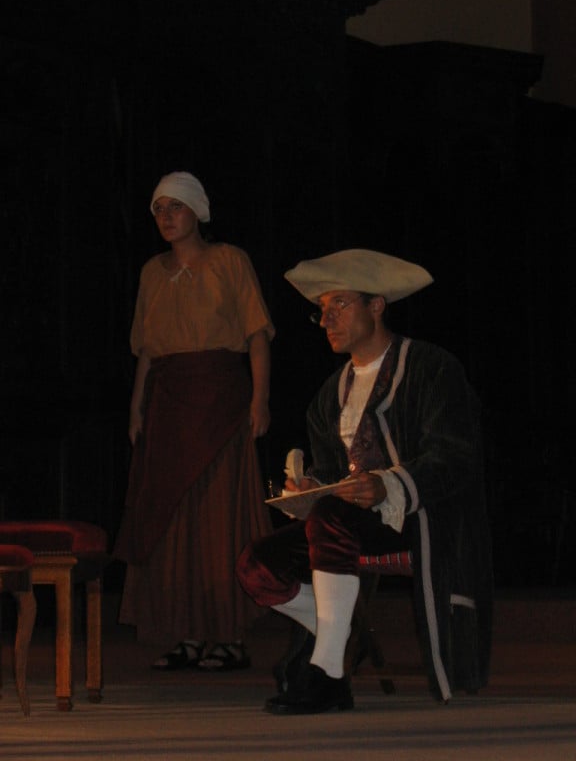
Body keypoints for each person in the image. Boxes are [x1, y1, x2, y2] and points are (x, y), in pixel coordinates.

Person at [236, 248, 493, 714]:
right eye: (322, 310)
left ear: (376, 305)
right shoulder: (330, 394)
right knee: (257, 562)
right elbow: (334, 473)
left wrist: (387, 484)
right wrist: (310, 490)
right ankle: (337, 629)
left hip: (420, 516)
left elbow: (455, 456)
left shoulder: (431, 367)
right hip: (347, 524)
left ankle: (329, 674)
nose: (326, 320)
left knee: (332, 518)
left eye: (339, 304)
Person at [113, 171, 275, 671]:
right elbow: (147, 350)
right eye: (159, 209)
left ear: (197, 211)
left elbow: (257, 335)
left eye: (175, 206)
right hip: (167, 402)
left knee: (219, 517)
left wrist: (260, 400)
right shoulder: (151, 272)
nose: (166, 216)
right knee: (173, 520)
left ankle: (227, 634)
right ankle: (183, 632)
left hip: (220, 400)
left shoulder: (229, 260)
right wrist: (137, 408)